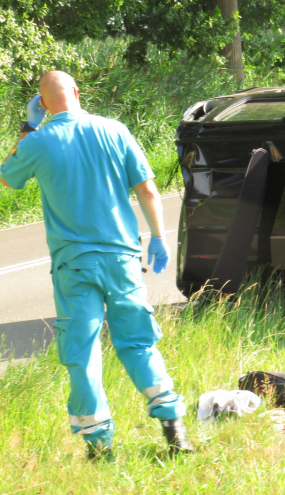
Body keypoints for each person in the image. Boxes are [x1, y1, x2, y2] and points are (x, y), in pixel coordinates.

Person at [0, 71, 193, 460]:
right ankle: (175, 432)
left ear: (42, 103)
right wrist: (157, 236)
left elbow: (7, 178)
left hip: (74, 265)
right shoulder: (115, 130)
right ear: (76, 92)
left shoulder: (39, 140)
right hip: (122, 258)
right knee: (138, 343)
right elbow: (147, 190)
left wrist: (28, 127)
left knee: (83, 351)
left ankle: (99, 446)